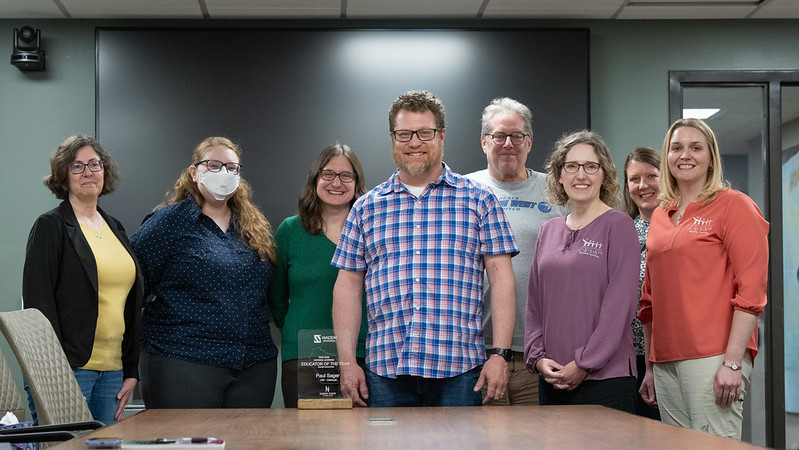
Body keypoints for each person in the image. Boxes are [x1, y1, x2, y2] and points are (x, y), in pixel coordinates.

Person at [332, 90, 519, 407]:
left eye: (425, 133)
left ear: (441, 135)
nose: (414, 142)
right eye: (404, 134)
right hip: (386, 371)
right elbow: (348, 287)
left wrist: (500, 354)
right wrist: (347, 363)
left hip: (460, 371)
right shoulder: (366, 208)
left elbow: (502, 280)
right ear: (393, 138)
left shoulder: (479, 200)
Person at [638, 118, 769, 439]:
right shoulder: (661, 213)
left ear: (711, 158)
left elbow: (751, 292)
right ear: (667, 157)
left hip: (713, 356)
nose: (686, 155)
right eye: (677, 147)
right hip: (666, 358)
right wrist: (652, 366)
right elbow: (649, 299)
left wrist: (733, 363)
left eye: (696, 148)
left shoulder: (734, 206)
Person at [131, 136, 278, 408]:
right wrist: (127, 361)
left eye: (231, 167)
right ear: (193, 172)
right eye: (213, 165)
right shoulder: (168, 223)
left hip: (254, 365)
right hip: (183, 360)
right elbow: (133, 289)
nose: (223, 173)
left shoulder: (251, 227)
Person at [22, 135, 143, 425]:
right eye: (77, 166)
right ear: (63, 177)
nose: (88, 172)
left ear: (105, 171)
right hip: (67, 371)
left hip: (113, 372)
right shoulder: (50, 226)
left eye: (94, 164)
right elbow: (38, 306)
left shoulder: (115, 228)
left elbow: (129, 303)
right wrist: (55, 374)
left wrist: (131, 370)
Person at [524, 130, 639, 413]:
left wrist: (584, 363)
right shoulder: (547, 231)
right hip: (552, 376)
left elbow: (619, 307)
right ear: (559, 175)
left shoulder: (619, 225)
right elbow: (534, 305)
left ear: (604, 174)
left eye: (591, 166)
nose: (581, 175)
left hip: (606, 378)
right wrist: (538, 358)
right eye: (571, 166)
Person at [466, 97, 568, 405]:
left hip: (538, 353)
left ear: (530, 142)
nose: (508, 143)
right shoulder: (462, 192)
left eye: (517, 136)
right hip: (476, 353)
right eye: (499, 136)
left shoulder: (557, 191)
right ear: (484, 142)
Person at [270, 144, 369, 408]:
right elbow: (276, 297)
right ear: (315, 178)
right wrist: (299, 326)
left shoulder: (372, 230)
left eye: (346, 176)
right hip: (304, 354)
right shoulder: (290, 230)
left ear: (357, 183)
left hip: (364, 355)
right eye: (328, 174)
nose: (337, 183)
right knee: (307, 440)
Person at [622, 147, 663, 420]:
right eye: (634, 178)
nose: (643, 185)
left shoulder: (681, 228)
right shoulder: (620, 229)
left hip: (667, 357)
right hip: (624, 360)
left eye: (651, 176)